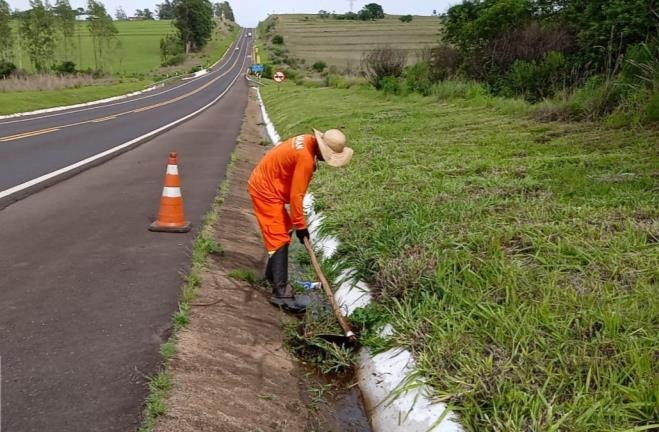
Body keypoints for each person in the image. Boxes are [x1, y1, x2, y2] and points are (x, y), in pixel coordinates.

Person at [248, 129, 353, 312]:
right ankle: (281, 294)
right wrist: (301, 226)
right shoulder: (305, 159)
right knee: (279, 238)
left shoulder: (306, 140)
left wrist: (296, 225)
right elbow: (297, 196)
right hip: (265, 191)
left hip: (268, 185)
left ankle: (272, 276)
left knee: (284, 229)